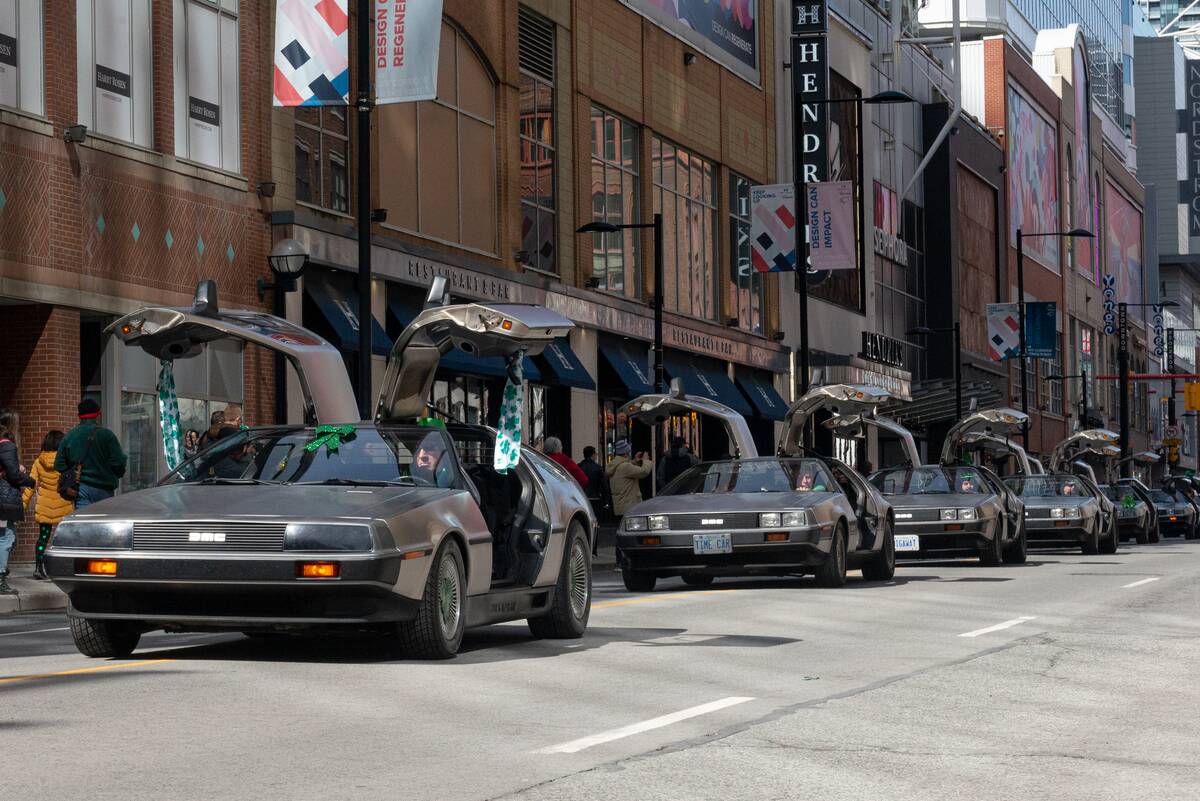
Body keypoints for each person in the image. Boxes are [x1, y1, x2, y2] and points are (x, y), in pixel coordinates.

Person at [55, 399, 128, 510]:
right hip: (104, 488)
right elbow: (119, 462)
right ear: (98, 415)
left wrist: (73, 474)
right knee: (103, 520)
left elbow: (59, 464)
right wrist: (114, 474)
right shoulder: (107, 435)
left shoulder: (69, 436)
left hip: (81, 488)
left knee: (84, 519)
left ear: (79, 416)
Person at [22, 430, 72, 580]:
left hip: (44, 505)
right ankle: (64, 568)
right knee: (66, 537)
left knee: (43, 537)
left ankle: (39, 568)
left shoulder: (39, 461)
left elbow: (31, 485)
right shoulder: (65, 460)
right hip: (64, 503)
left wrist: (22, 504)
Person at [0, 409, 36, 595]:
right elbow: (13, 475)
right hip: (4, 498)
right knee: (7, 537)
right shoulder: (7, 446)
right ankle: (0, 578)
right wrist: (30, 480)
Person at [606, 440, 652, 519]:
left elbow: (627, 469)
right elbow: (644, 472)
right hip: (629, 506)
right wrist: (646, 460)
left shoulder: (615, 465)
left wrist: (635, 461)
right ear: (626, 453)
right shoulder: (625, 467)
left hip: (621, 506)